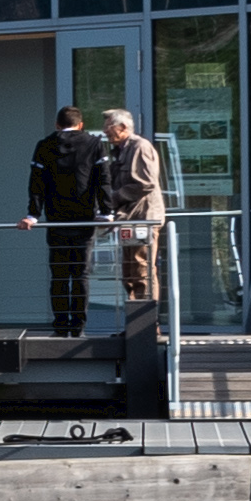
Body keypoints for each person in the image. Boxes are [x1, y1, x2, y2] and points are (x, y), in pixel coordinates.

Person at [23, 104, 118, 326]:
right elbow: (103, 179)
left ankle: (60, 323)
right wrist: (106, 211)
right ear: (81, 124)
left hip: (55, 219)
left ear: (57, 125)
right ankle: (78, 325)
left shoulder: (44, 146)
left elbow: (36, 183)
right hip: (84, 217)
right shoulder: (94, 144)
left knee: (59, 274)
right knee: (81, 274)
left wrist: (33, 214)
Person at [100, 106, 173, 334]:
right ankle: (135, 326)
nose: (105, 131)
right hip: (130, 219)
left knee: (142, 270)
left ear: (123, 128)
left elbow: (145, 183)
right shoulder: (121, 150)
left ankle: (147, 327)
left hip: (144, 219)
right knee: (129, 272)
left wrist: (112, 199)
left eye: (108, 126)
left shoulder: (140, 147)